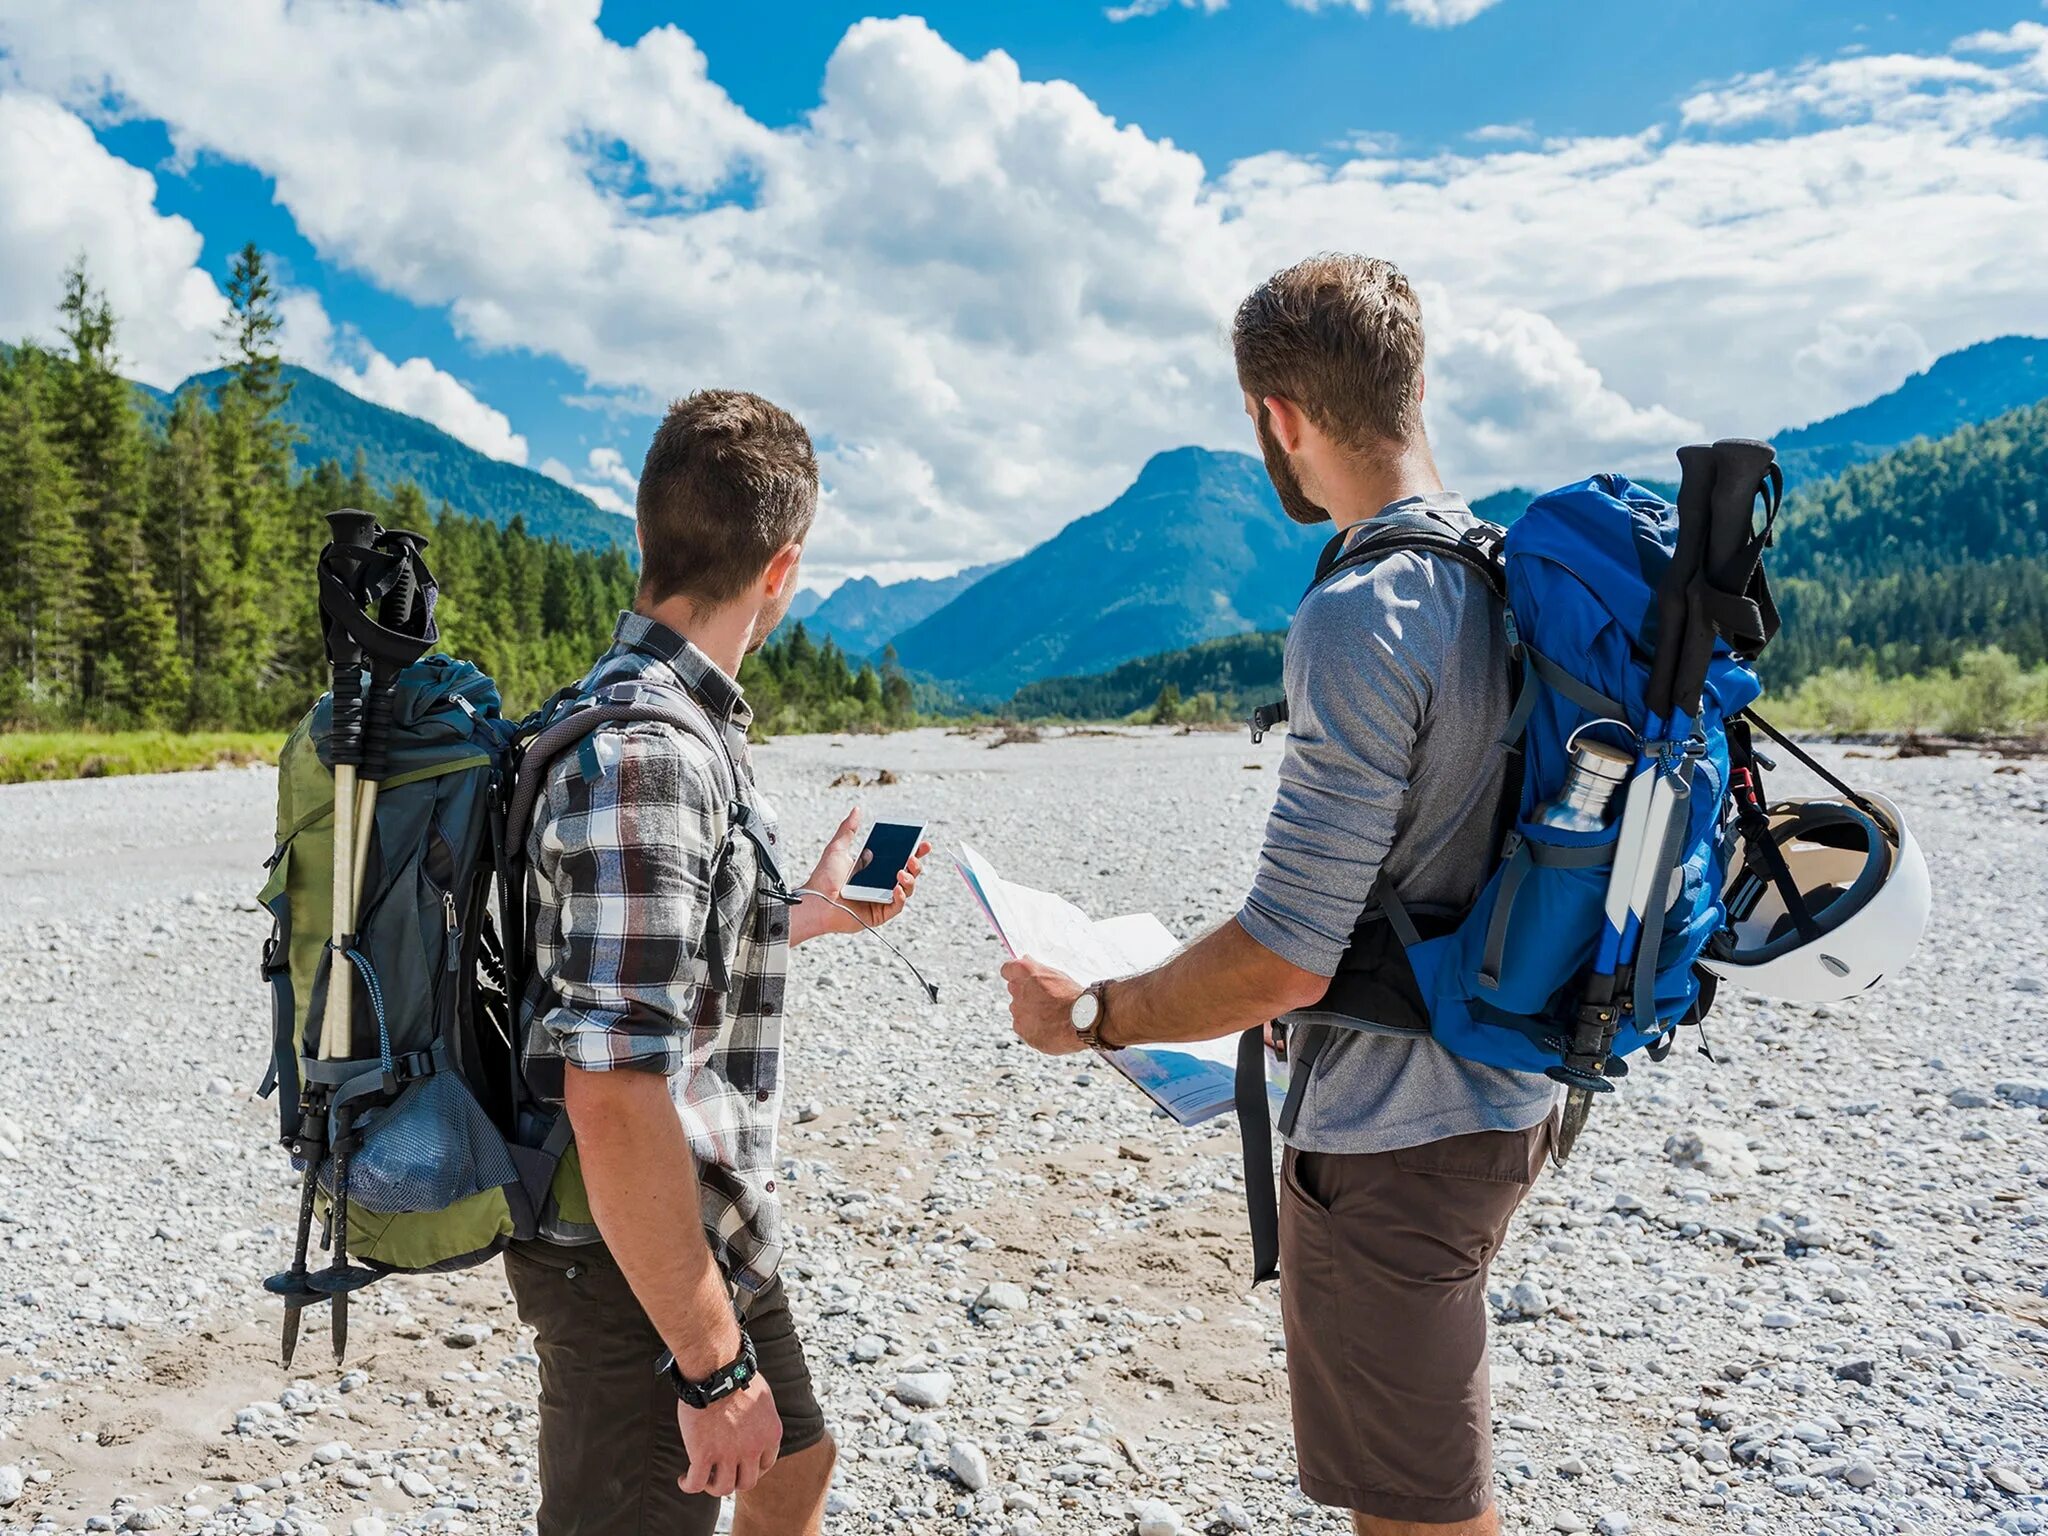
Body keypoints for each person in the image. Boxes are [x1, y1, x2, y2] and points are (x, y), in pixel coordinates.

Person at [1003, 254, 1559, 1536]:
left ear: (1280, 418)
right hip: (1506, 1092)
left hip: (1393, 1137)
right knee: (1429, 1473)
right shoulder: (1504, 574)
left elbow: (1286, 957)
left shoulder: (1363, 611)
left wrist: (1090, 1015)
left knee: (1416, 1512)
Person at [510, 389, 928, 1536]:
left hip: (702, 1225)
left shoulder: (661, 725)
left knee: (794, 1457)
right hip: (628, 1244)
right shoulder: (649, 755)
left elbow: (634, 956)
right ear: (781, 568)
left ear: (646, 541)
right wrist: (708, 1370)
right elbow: (608, 1085)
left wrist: (789, 918)